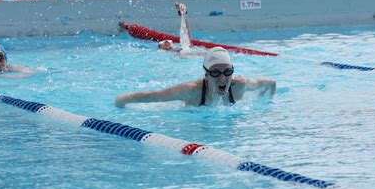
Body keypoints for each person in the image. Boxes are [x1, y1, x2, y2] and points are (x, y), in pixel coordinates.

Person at [115, 47, 276, 107]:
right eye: (215, 72)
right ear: (206, 74)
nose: (222, 78)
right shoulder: (191, 91)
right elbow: (156, 97)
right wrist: (123, 100)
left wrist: (265, 103)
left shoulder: (240, 85)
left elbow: (271, 83)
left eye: (227, 72)